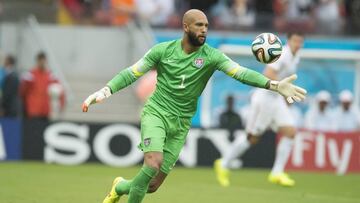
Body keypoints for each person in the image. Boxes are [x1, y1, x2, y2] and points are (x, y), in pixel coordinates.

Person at [82, 9, 306, 203]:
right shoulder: (162, 50)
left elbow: (240, 73)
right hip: (156, 113)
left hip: (181, 123)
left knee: (151, 185)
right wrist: (105, 90)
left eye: (207, 26)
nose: (204, 30)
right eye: (199, 25)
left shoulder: (212, 56)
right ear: (185, 26)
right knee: (152, 164)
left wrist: (274, 85)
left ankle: (119, 186)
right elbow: (132, 72)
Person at [214, 32, 305, 187]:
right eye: (295, 40)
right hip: (264, 99)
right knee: (252, 138)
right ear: (288, 41)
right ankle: (223, 164)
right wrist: (284, 88)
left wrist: (285, 96)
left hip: (276, 100)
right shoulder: (282, 54)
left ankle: (277, 172)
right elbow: (268, 73)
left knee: (290, 132)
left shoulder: (296, 57)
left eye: (300, 41)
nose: (298, 44)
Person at [20, 52, 65, 120]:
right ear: (37, 61)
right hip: (32, 110)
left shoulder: (51, 76)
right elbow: (22, 92)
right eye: (40, 61)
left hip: (45, 110)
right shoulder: (30, 75)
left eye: (43, 60)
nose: (42, 63)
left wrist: (61, 104)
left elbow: (60, 90)